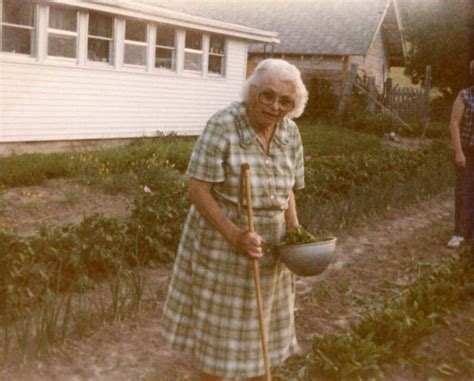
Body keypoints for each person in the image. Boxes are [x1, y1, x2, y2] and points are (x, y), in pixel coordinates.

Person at [159, 58, 308, 380]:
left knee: (261, 329)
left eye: (285, 101)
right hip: (223, 240)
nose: (274, 106)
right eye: (267, 95)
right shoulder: (224, 125)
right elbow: (198, 190)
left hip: (272, 242)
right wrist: (234, 234)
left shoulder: (290, 132)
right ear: (251, 92)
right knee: (221, 343)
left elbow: (289, 191)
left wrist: (295, 234)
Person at [449, 60, 474, 259]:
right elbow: (454, 124)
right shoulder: (464, 95)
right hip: (467, 151)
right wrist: (459, 152)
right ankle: (459, 233)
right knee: (464, 192)